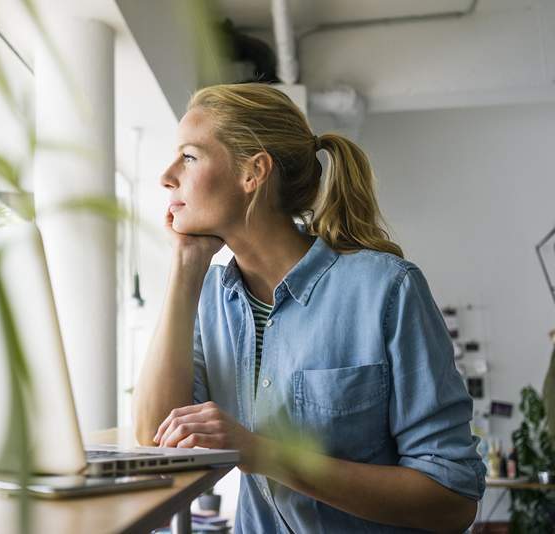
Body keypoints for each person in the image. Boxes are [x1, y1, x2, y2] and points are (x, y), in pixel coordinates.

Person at [133, 83, 485, 533]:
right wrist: (185, 265)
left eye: (189, 157)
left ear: (252, 172)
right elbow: (154, 437)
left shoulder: (387, 289)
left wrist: (263, 453)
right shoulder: (209, 298)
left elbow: (452, 500)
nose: (166, 175)